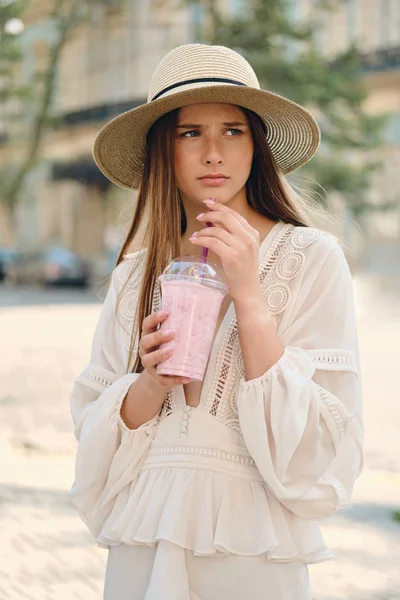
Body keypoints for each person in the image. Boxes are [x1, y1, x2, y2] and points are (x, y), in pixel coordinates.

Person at [70, 44, 363, 600]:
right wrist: (151, 384)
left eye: (232, 131)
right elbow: (94, 433)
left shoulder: (312, 256)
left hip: (251, 544)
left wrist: (249, 294)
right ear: (163, 147)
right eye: (189, 133)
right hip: (145, 537)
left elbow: (322, 445)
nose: (213, 153)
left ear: (257, 143)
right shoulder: (135, 276)